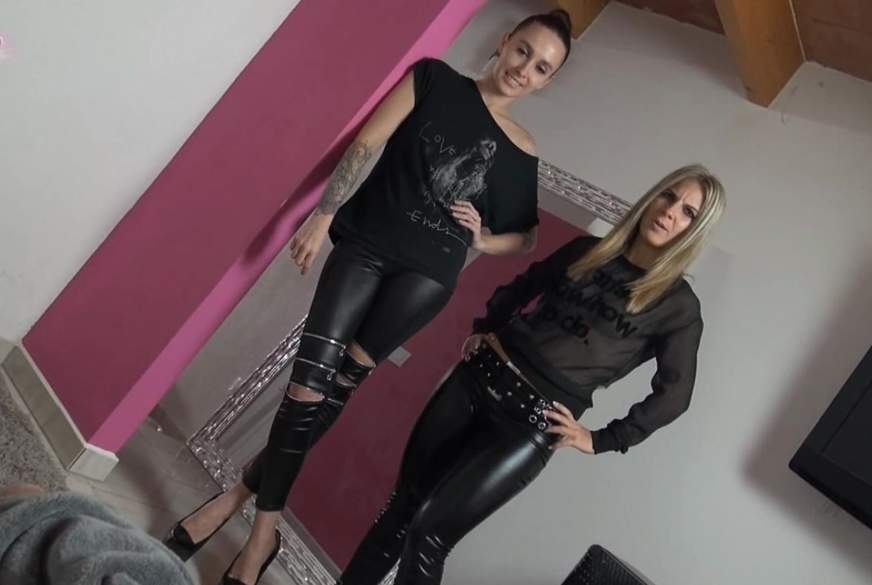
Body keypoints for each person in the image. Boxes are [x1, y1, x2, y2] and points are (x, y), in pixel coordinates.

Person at [164, 10, 575, 585]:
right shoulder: (433, 79)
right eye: (524, 51)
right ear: (505, 42)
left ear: (547, 80)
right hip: (364, 247)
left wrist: (484, 239)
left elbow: (526, 236)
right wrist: (322, 214)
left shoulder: (523, 150)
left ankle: (233, 505)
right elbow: (368, 142)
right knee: (307, 387)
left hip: (427, 281)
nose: (525, 69)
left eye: (542, 68)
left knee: (333, 395)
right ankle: (262, 533)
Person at [338, 164, 726, 585]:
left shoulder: (678, 306)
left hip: (528, 425)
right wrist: (487, 326)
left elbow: (674, 395)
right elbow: (524, 285)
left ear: (695, 230)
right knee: (401, 510)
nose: (670, 212)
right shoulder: (587, 251)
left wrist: (600, 439)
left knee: (430, 534)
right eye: (669, 196)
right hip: (475, 381)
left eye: (688, 212)